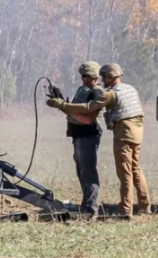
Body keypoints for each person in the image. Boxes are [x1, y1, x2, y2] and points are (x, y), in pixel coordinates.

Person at [46, 63, 151, 217]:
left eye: (104, 77)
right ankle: (144, 206)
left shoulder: (110, 94)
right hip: (137, 132)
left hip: (124, 133)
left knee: (125, 172)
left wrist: (63, 105)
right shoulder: (130, 89)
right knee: (135, 169)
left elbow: (89, 109)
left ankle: (125, 209)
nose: (102, 80)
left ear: (110, 77)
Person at [61, 61, 106, 217]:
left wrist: (63, 106)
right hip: (78, 134)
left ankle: (91, 208)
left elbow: (87, 119)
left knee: (88, 171)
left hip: (88, 133)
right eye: (83, 76)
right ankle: (86, 204)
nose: (84, 79)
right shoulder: (83, 89)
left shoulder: (97, 92)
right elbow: (73, 112)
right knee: (81, 171)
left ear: (95, 76)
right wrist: (63, 105)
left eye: (88, 76)